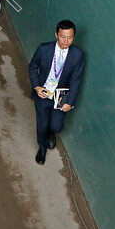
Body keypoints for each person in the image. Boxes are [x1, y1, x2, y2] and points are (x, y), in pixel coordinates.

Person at [28, 20, 84, 165]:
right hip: (43, 93)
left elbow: (75, 80)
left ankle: (51, 132)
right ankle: (42, 148)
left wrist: (70, 102)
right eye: (63, 37)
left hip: (61, 97)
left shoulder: (77, 55)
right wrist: (36, 87)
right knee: (42, 124)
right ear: (56, 35)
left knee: (56, 126)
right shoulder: (44, 49)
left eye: (70, 37)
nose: (66, 41)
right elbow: (33, 67)